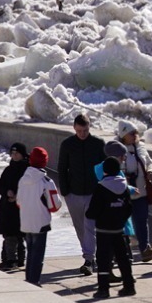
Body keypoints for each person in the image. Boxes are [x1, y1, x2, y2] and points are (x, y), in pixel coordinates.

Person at [57, 114, 106, 276]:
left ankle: (89, 259)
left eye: (85, 130)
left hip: (94, 192)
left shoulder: (98, 143)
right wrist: (65, 191)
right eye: (79, 131)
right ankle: (90, 255)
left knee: (90, 226)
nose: (82, 134)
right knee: (80, 228)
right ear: (74, 128)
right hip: (73, 193)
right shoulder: (67, 144)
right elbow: (62, 168)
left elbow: (106, 167)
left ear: (89, 127)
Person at [88, 157, 137, 298]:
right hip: (119, 229)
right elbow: (129, 208)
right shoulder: (124, 186)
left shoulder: (101, 187)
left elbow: (93, 210)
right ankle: (129, 286)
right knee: (123, 258)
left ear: (105, 171)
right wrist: (121, 220)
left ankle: (103, 289)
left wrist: (92, 215)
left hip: (103, 230)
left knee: (103, 259)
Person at [114, 120, 152, 262]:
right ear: (124, 135)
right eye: (131, 133)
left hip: (140, 192)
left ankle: (145, 249)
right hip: (124, 194)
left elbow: (149, 162)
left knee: (141, 221)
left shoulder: (141, 147)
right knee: (122, 224)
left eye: (136, 133)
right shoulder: (116, 149)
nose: (135, 135)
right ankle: (121, 252)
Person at [17, 147, 60, 286]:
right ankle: (34, 280)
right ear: (45, 162)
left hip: (26, 221)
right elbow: (55, 206)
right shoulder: (47, 182)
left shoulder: (23, 179)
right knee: (38, 253)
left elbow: (18, 202)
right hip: (41, 222)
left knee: (30, 251)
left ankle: (28, 279)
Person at [0, 143, 29, 272]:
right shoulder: (8, 169)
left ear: (22, 154)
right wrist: (7, 192)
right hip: (7, 209)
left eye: (16, 153)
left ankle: (19, 260)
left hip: (22, 208)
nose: (14, 156)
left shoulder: (28, 170)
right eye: (12, 154)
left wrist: (18, 196)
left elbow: (29, 188)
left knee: (20, 236)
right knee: (9, 235)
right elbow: (0, 186)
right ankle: (9, 259)